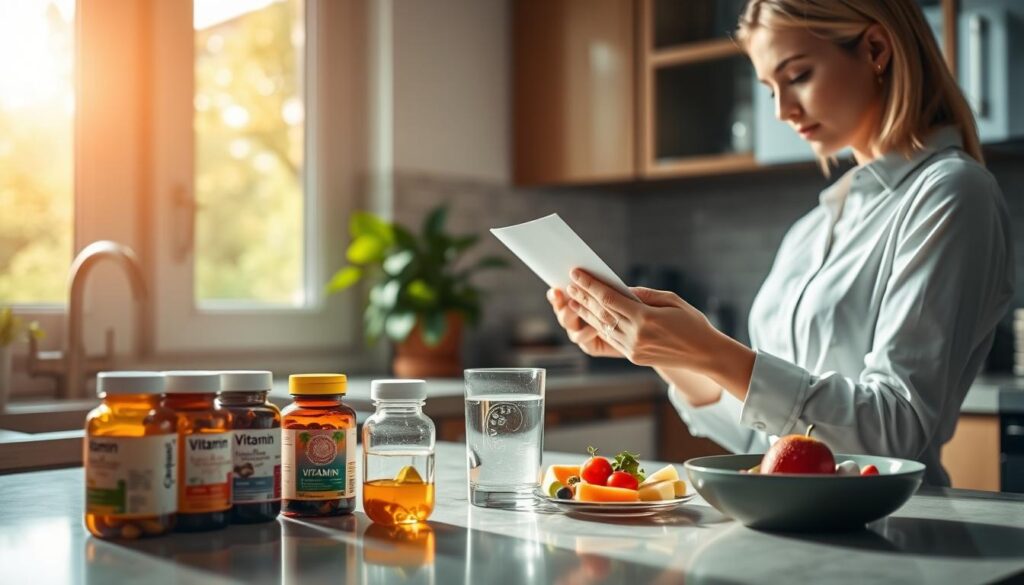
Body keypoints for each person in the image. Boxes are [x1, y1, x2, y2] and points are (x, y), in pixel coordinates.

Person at [547, 0, 1014, 486]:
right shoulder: (811, 230)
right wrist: (664, 350)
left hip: (888, 529)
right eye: (770, 88)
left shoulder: (952, 192)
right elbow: (765, 441)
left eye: (798, 76)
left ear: (876, 48)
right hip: (787, 529)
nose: (782, 110)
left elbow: (894, 433)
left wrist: (712, 351)